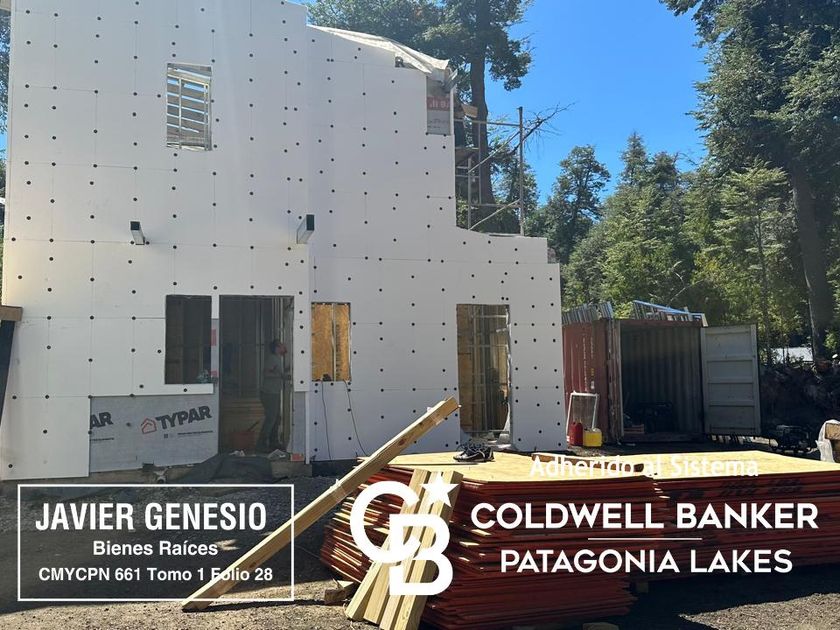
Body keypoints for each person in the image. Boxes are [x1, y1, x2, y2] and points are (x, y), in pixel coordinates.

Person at [257, 339, 288, 452]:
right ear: (277, 348)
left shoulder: (277, 359)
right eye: (282, 345)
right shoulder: (272, 359)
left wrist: (284, 373)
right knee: (271, 418)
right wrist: (281, 376)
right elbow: (266, 373)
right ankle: (261, 444)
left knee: (276, 418)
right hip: (269, 393)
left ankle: (273, 442)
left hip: (274, 392)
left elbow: (276, 372)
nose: (284, 347)